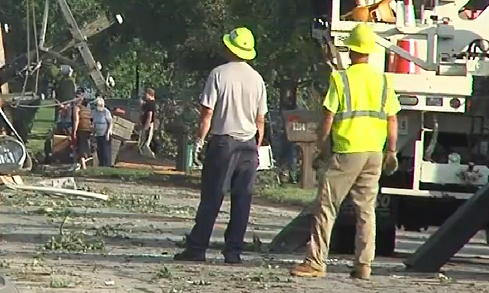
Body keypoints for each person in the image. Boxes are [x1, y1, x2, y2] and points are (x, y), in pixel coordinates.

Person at [290, 23, 400, 280]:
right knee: (366, 210)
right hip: (374, 152)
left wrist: (323, 147)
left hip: (348, 150)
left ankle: (315, 262)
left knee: (327, 206)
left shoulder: (341, 79)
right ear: (370, 52)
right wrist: (391, 151)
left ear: (351, 51)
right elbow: (392, 119)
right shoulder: (383, 80)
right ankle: (364, 265)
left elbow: (328, 118)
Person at [174, 27, 267, 265]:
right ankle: (233, 251)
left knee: (212, 197)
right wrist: (256, 145)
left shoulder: (218, 74)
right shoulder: (257, 79)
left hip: (224, 143)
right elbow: (260, 120)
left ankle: (197, 247)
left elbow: (207, 113)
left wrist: (199, 141)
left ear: (229, 48)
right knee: (242, 200)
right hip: (248, 145)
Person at [71, 93, 94, 169]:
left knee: (80, 147)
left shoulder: (76, 108)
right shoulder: (86, 109)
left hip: (81, 129)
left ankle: (83, 166)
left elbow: (76, 120)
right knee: (84, 146)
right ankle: (81, 165)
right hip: (88, 130)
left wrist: (74, 131)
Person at [92, 97, 114, 167]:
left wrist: (108, 132)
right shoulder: (95, 112)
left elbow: (110, 123)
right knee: (99, 150)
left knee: (105, 150)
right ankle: (101, 164)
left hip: (105, 134)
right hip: (98, 134)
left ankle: (107, 165)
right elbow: (94, 123)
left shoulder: (106, 112)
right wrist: (93, 133)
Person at [55, 66, 77, 134]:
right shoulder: (70, 81)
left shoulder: (64, 81)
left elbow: (59, 92)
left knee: (63, 121)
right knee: (66, 121)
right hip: (67, 104)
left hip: (65, 105)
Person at [139, 88, 158, 155]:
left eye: (146, 94)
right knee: (142, 141)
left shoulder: (151, 104)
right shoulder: (148, 103)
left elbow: (150, 116)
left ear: (150, 94)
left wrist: (146, 126)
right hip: (145, 124)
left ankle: (150, 156)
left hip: (148, 125)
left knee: (146, 143)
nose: (145, 95)